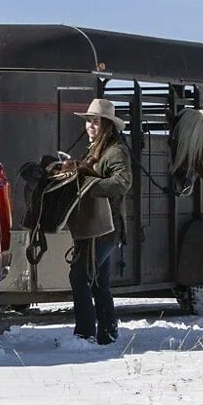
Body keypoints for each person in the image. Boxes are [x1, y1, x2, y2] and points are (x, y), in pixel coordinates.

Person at [57, 98, 131, 345]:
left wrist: (90, 186)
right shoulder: (95, 149)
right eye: (89, 121)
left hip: (107, 227)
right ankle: (107, 333)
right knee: (99, 282)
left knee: (79, 276)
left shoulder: (115, 151)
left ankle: (85, 333)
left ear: (107, 125)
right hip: (97, 226)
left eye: (95, 121)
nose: (90, 125)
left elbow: (123, 182)